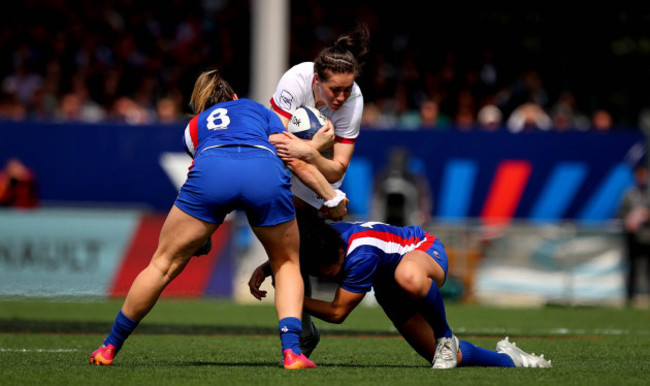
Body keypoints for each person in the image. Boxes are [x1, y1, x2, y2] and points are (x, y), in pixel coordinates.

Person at [89, 68, 349, 370]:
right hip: (262, 171)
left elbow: (203, 174)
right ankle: (292, 352)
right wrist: (330, 195)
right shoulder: (257, 109)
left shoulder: (194, 126)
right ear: (234, 97)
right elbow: (288, 156)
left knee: (161, 264)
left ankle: (109, 346)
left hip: (212, 174)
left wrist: (203, 235)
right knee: (287, 263)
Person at [248, 213, 553, 369]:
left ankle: (445, 335)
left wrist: (293, 300)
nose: (326, 274)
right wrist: (267, 267)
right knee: (441, 357)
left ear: (340, 255)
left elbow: (338, 313)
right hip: (387, 284)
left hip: (422, 250)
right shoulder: (324, 241)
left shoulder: (360, 256)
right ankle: (512, 360)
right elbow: (295, 248)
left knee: (408, 275)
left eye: (327, 268)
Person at [267, 24, 370, 356]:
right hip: (284, 163)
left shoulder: (354, 100)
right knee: (286, 253)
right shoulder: (295, 81)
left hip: (318, 174)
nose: (341, 98)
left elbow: (338, 166)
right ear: (316, 81)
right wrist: (313, 147)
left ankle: (301, 330)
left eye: (347, 89)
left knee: (294, 253)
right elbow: (276, 145)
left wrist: (310, 152)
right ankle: (304, 329)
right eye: (334, 90)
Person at [618, 163, 650, 306]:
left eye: (644, 174)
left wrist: (646, 215)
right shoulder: (629, 193)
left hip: (648, 236)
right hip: (633, 236)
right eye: (639, 174)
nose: (642, 177)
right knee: (632, 267)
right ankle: (630, 298)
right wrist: (629, 219)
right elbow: (621, 212)